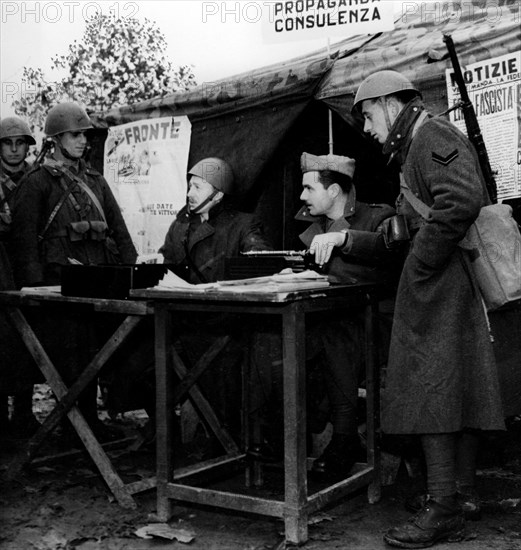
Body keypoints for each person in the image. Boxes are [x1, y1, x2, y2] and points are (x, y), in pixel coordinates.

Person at [352, 70, 505, 548]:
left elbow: (461, 199)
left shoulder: (431, 134)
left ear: (390, 103)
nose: (369, 129)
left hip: (440, 282)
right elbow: (429, 208)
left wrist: (420, 262)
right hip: (442, 281)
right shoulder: (414, 146)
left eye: (369, 116)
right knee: (451, 387)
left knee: (430, 389)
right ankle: (459, 494)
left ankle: (442, 508)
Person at [10, 102, 137, 440]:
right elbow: (24, 239)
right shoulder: (37, 182)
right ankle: (73, 425)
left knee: (95, 349)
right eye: (76, 134)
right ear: (56, 139)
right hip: (57, 282)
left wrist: (132, 269)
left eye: (85, 135)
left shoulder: (95, 179)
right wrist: (34, 289)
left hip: (96, 276)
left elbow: (118, 228)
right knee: (69, 352)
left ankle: (88, 422)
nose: (84, 141)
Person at [295, 152, 400, 479]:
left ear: (335, 191)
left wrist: (344, 238)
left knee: (333, 331)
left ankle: (343, 437)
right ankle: (277, 434)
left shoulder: (378, 217)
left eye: (309, 189)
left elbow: (389, 249)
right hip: (334, 324)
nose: (301, 197)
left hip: (379, 325)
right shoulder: (314, 230)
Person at [0, 116, 41, 438]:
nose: (14, 150)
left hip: (29, 264)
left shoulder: (37, 177)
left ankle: (25, 414)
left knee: (29, 339)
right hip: (1, 268)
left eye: (20, 143)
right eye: (7, 143)